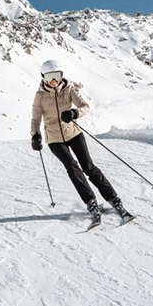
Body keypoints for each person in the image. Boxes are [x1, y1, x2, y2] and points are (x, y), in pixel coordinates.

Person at [30, 60, 134, 228]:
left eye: (56, 75)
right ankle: (91, 202)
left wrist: (74, 112)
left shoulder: (69, 89)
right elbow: (35, 118)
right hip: (55, 139)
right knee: (72, 168)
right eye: (49, 77)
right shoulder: (40, 96)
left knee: (89, 167)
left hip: (73, 133)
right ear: (43, 77)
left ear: (61, 75)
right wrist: (35, 135)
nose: (53, 80)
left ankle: (113, 198)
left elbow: (85, 106)